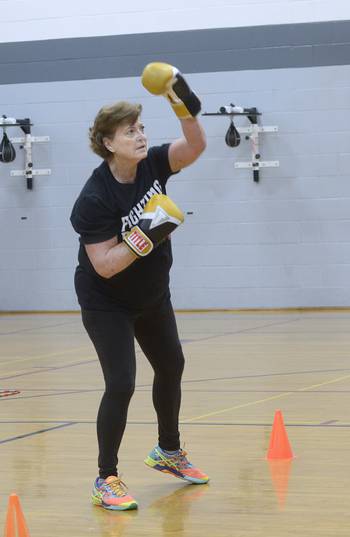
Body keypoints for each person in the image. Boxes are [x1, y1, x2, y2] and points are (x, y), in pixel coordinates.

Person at [70, 62, 209, 511]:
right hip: (106, 301)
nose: (141, 136)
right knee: (122, 383)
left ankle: (168, 452)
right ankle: (105, 477)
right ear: (108, 143)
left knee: (172, 365)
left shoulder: (152, 164)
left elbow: (195, 146)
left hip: (151, 293)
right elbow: (106, 265)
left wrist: (179, 101)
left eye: (142, 127)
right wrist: (147, 232)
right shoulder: (94, 198)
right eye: (130, 131)